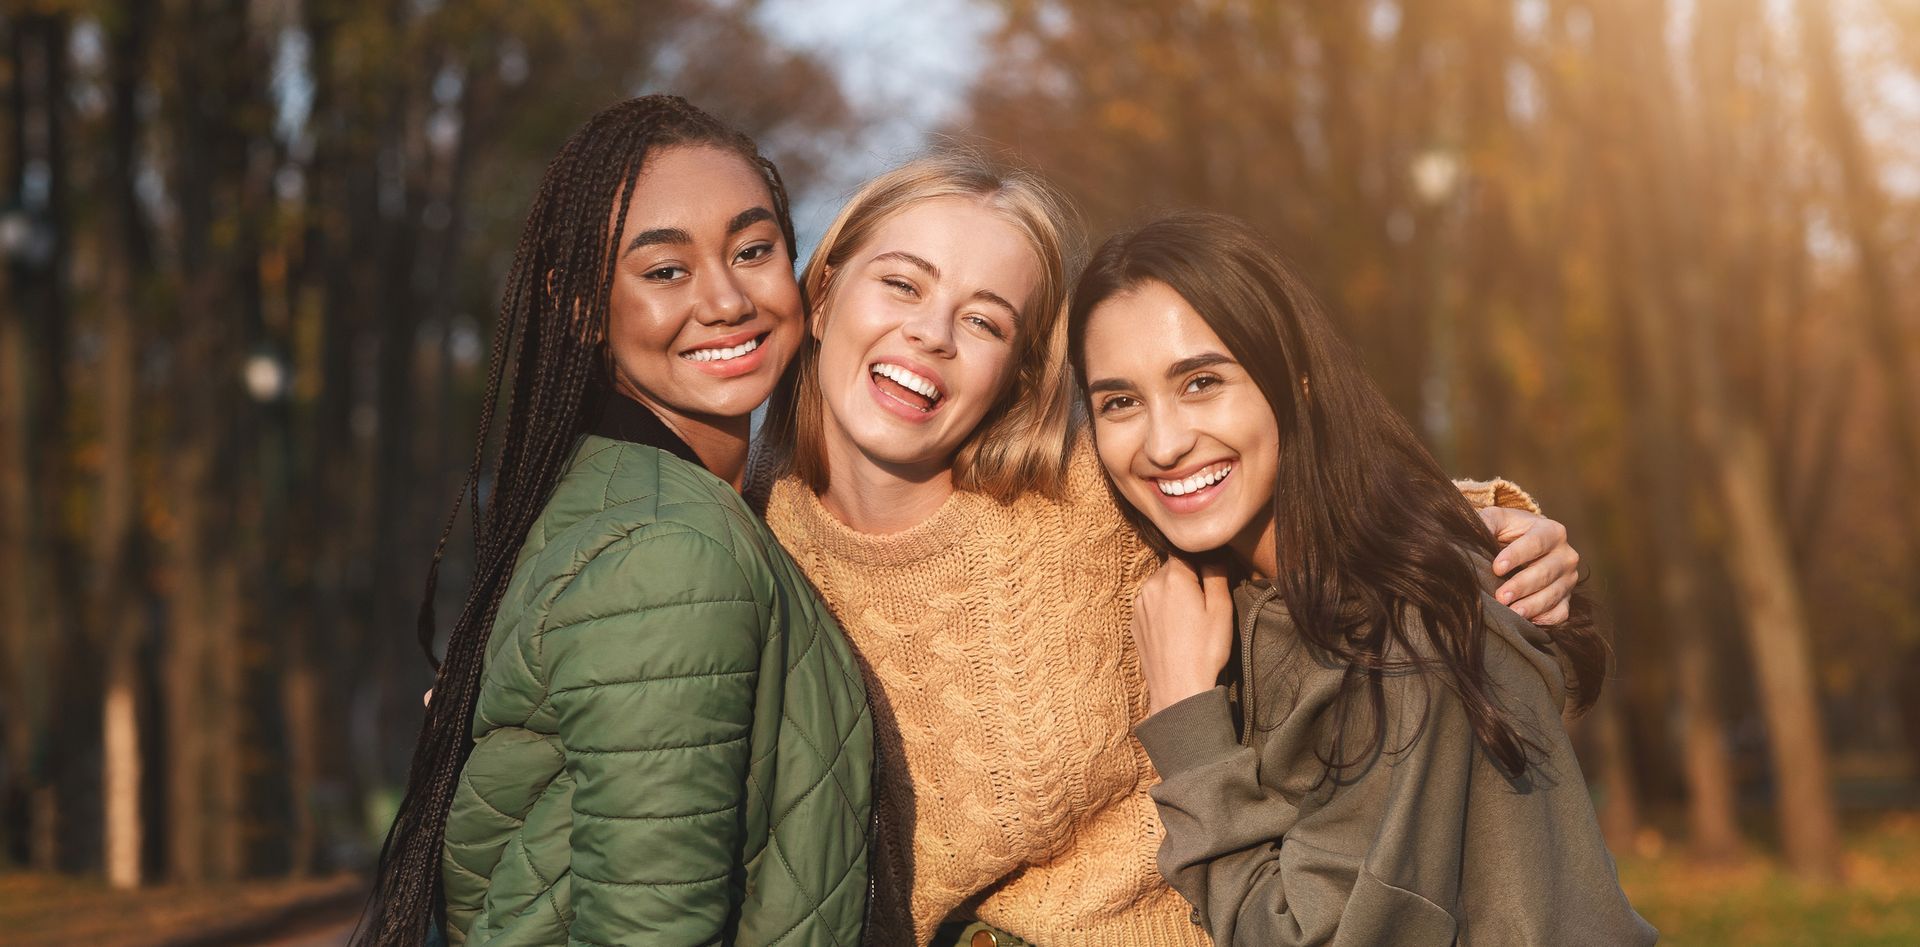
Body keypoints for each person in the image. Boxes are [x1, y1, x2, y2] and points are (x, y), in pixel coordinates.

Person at [756, 153, 1586, 945]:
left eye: (983, 319)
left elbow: (1289, 500)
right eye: (902, 283)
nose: (931, 333)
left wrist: (1486, 526)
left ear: (1016, 371)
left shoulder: (1085, 492)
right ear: (822, 297)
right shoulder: (753, 554)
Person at [355, 96, 872, 947]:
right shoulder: (670, 554)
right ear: (582, 304)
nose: (726, 298)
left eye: (753, 250)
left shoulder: (624, 500)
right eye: (665, 270)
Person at [1070, 211, 1655, 945]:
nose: (1162, 442)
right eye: (1120, 401)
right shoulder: (1242, 591)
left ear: (1298, 382)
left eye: (1202, 381)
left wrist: (1187, 720)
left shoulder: (1399, 638)